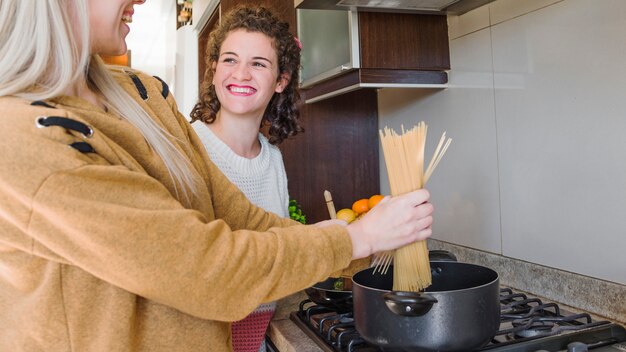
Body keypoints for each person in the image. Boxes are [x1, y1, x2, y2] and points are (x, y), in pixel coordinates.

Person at [0, 1, 434, 351]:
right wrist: (357, 239)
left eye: (260, 64)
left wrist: (369, 239)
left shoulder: (142, 95)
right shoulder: (26, 138)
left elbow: (244, 217)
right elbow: (206, 269)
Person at [189, 7, 301, 352]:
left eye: (258, 63)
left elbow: (279, 258)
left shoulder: (273, 161)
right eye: (229, 60)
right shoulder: (189, 148)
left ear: (281, 80)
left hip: (256, 342)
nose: (241, 74)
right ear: (214, 69)